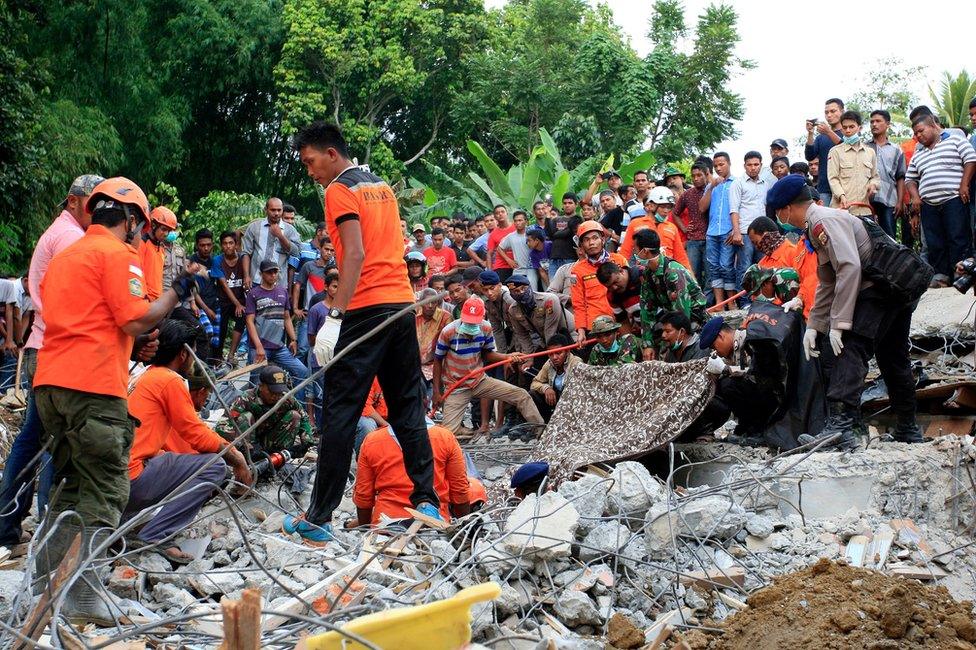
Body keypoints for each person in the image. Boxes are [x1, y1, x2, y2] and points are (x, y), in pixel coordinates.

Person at [32, 177, 197, 623]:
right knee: (106, 488)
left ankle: (40, 587)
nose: (139, 235)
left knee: (69, 488)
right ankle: (82, 593)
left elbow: (94, 321)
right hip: (93, 390)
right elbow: (136, 316)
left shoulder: (66, 257)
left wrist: (133, 343)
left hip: (51, 385)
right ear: (129, 219)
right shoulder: (117, 255)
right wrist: (177, 293)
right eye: (139, 227)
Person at [291, 122, 440, 545]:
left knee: (340, 409)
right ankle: (426, 499)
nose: (310, 171)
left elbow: (353, 252)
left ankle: (319, 517)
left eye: (310, 162)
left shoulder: (339, 190)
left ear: (331, 154)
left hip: (366, 307)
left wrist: (334, 315)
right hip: (399, 306)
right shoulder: (382, 187)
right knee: (408, 405)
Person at [767, 174, 925, 450]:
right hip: (892, 288)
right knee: (893, 358)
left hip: (878, 289)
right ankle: (907, 428)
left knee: (850, 349)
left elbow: (849, 267)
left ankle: (839, 428)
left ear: (787, 208)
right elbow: (828, 279)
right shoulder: (817, 225)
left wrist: (839, 323)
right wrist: (816, 325)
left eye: (778, 211)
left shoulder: (821, 221)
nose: (779, 217)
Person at [0, 174, 103, 549]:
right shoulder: (72, 240)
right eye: (94, 204)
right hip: (55, 349)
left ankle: (10, 524)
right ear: (74, 201)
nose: (99, 213)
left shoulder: (60, 234)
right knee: (54, 440)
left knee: (33, 439)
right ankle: (46, 527)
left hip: (44, 345)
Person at [124, 320, 251, 562]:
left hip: (119, 477)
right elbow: (195, 434)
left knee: (169, 458)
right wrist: (235, 458)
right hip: (131, 479)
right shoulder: (170, 380)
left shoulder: (145, 376)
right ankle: (155, 534)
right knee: (214, 466)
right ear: (184, 354)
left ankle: (131, 526)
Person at [433, 297, 544, 435]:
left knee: (521, 395)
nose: (470, 325)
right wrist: (437, 392)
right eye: (467, 321)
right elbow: (437, 361)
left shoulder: (486, 328)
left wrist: (507, 357)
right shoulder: (448, 331)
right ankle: (459, 430)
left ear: (482, 317)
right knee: (447, 433)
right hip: (457, 385)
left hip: (479, 380)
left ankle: (541, 431)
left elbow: (487, 354)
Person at [698, 305, 801, 449]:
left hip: (776, 395)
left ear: (721, 336)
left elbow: (756, 374)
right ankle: (746, 427)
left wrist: (725, 369)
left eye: (715, 346)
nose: (716, 351)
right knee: (723, 385)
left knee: (729, 384)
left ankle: (758, 430)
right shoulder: (733, 349)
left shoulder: (750, 340)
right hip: (765, 392)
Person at [351, 424, 469, 527]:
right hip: (434, 525)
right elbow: (459, 491)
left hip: (385, 524)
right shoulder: (444, 437)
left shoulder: (373, 440)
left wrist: (365, 527)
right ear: (426, 402)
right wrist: (465, 526)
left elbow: (364, 496)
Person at [905, 113, 976, 284]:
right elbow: (909, 179)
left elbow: (971, 159)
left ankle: (961, 275)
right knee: (935, 241)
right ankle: (941, 275)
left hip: (953, 199)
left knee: (958, 237)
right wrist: (915, 197)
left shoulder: (955, 140)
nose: (918, 136)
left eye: (921, 131)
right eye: (916, 133)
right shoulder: (918, 153)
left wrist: (964, 184)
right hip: (929, 203)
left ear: (933, 126)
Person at [218, 365, 314, 477]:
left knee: (294, 416)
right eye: (272, 392)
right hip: (250, 445)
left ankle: (277, 457)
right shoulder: (246, 398)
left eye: (279, 392)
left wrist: (306, 441)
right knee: (245, 417)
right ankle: (250, 459)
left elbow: (304, 418)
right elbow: (222, 426)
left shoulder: (286, 399)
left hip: (271, 441)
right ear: (261, 386)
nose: (276, 396)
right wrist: (241, 446)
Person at [635, 229, 708, 360]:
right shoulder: (648, 274)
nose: (634, 254)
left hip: (692, 320)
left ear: (644, 251)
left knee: (674, 356)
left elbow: (682, 314)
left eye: (636, 249)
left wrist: (669, 343)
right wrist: (647, 344)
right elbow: (647, 311)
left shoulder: (673, 272)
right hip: (670, 319)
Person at [245, 259, 308, 401]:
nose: (273, 275)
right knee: (256, 382)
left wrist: (293, 339)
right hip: (259, 347)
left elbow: (286, 318)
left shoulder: (282, 292)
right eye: (269, 272)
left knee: (302, 371)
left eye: (275, 272)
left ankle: (296, 406)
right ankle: (254, 413)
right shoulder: (253, 294)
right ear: (261, 274)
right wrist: (259, 347)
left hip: (279, 346)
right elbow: (249, 321)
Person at [571, 221, 627, 341]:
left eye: (595, 238)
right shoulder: (577, 270)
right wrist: (581, 331)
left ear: (603, 239)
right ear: (581, 245)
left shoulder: (619, 260)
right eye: (586, 240)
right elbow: (578, 303)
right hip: (596, 328)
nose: (591, 243)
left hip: (622, 322)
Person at [729, 151, 771, 299]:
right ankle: (744, 301)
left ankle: (760, 299)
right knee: (744, 267)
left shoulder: (765, 184)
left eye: (756, 164)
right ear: (744, 166)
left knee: (762, 266)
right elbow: (734, 209)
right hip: (745, 232)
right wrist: (736, 232)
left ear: (761, 165)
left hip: (763, 234)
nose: (753, 168)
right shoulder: (738, 183)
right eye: (749, 165)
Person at [826, 110, 879, 216]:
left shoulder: (870, 152)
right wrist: (841, 196)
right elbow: (833, 178)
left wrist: (873, 185)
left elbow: (875, 177)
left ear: (859, 128)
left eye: (852, 127)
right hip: (841, 210)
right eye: (844, 127)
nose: (848, 130)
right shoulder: (835, 152)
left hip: (865, 210)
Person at [241, 198, 302, 290]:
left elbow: (296, 252)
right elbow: (246, 253)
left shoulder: (290, 230)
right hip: (256, 280)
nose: (276, 213)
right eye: (273, 210)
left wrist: (281, 237)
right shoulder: (254, 227)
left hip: (279, 282)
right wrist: (246, 276)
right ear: (266, 210)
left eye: (279, 210)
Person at [700, 152, 736, 306]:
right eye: (716, 166)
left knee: (726, 266)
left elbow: (739, 208)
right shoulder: (711, 186)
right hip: (712, 232)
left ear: (729, 163)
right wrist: (710, 187)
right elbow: (702, 208)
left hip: (728, 231)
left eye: (722, 164)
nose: (719, 168)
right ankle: (720, 303)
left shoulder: (737, 183)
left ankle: (731, 302)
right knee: (714, 268)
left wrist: (736, 229)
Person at [505, 274, 572, 354]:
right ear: (511, 294)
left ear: (530, 287)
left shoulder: (549, 300)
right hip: (547, 343)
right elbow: (522, 335)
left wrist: (550, 354)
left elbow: (550, 331)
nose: (521, 293)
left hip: (570, 338)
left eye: (523, 288)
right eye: (516, 291)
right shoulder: (513, 310)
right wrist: (529, 357)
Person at [866, 110, 907, 238]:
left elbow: (900, 177)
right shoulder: (863, 147)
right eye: (872, 121)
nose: (874, 124)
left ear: (888, 124)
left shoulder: (896, 149)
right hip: (866, 199)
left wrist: (900, 201)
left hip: (889, 199)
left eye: (878, 121)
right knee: (867, 237)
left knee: (889, 237)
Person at [292, 236, 335, 360]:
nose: (329, 253)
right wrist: (295, 308)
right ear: (319, 248)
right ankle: (299, 379)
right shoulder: (309, 266)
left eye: (332, 251)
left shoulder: (336, 270)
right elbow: (298, 285)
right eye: (326, 249)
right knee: (303, 349)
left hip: (329, 315)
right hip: (308, 314)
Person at [210, 231, 248, 364]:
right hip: (223, 301)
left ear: (236, 244)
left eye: (231, 243)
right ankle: (217, 359)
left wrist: (239, 304)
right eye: (225, 243)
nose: (228, 246)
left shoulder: (243, 259)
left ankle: (231, 354)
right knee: (221, 329)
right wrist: (236, 303)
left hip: (240, 300)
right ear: (221, 246)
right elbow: (224, 285)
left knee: (243, 318)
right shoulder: (217, 260)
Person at [529, 333, 584, 421]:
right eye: (551, 354)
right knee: (532, 394)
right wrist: (546, 388)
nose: (554, 357)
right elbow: (534, 383)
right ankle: (542, 424)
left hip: (572, 404)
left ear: (567, 351)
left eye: (558, 353)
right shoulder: (549, 363)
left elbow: (580, 391)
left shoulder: (576, 363)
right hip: (555, 402)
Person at [804, 97, 845, 204]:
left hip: (845, 187)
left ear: (842, 112)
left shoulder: (848, 133)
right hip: (824, 188)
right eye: (826, 112)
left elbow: (846, 150)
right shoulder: (821, 137)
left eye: (833, 111)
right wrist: (810, 133)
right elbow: (809, 156)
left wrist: (829, 132)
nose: (829, 115)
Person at [674, 162, 710, 284]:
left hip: (710, 238)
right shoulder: (687, 194)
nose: (696, 178)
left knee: (710, 273)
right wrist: (684, 228)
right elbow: (675, 213)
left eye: (699, 175)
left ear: (707, 174)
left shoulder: (713, 190)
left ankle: (710, 302)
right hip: (693, 239)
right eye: (693, 176)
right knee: (693, 274)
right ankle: (697, 300)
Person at [190, 228, 223, 359]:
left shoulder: (214, 261)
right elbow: (192, 290)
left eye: (209, 245)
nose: (206, 248)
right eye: (202, 245)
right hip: (199, 305)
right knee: (206, 332)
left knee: (216, 338)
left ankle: (213, 363)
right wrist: (207, 309)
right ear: (197, 245)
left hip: (214, 303)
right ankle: (201, 363)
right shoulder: (191, 262)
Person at [415, 287, 453, 400]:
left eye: (434, 302)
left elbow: (448, 343)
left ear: (438, 303)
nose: (430, 305)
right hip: (415, 363)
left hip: (436, 363)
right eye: (427, 302)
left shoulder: (445, 317)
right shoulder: (414, 314)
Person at [139, 206, 178, 301]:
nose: (166, 234)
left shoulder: (160, 247)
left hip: (157, 300)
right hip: (145, 300)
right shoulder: (142, 244)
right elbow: (138, 274)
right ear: (153, 225)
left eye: (168, 231)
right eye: (163, 229)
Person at [596, 262, 642, 332]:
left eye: (615, 282)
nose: (614, 288)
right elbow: (623, 322)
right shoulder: (612, 296)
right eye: (609, 286)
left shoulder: (641, 273)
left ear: (621, 271)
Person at [545, 194, 582, 276]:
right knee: (553, 287)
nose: (567, 205)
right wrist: (547, 214)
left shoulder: (577, 220)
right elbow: (549, 234)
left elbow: (565, 233)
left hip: (569, 259)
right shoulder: (556, 219)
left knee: (568, 287)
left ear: (576, 204)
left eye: (570, 203)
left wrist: (555, 234)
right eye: (565, 203)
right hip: (554, 259)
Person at [497, 210, 535, 288]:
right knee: (516, 292)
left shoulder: (533, 233)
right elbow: (499, 248)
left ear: (526, 221)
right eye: (515, 221)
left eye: (520, 220)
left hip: (532, 269)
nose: (517, 223)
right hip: (518, 270)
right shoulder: (511, 236)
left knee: (533, 291)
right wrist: (508, 260)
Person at [487, 206, 515, 281]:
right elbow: (489, 254)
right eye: (497, 213)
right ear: (495, 216)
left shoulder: (516, 227)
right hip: (501, 266)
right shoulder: (493, 234)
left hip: (518, 264)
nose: (500, 214)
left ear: (507, 213)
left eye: (502, 212)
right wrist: (489, 272)